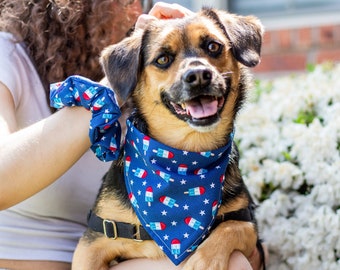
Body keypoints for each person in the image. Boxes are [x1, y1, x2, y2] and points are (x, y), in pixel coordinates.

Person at [0, 1, 265, 269]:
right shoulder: (7, 55)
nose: (137, 6)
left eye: (213, 47)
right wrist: (113, 87)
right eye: (163, 59)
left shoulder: (152, 105)